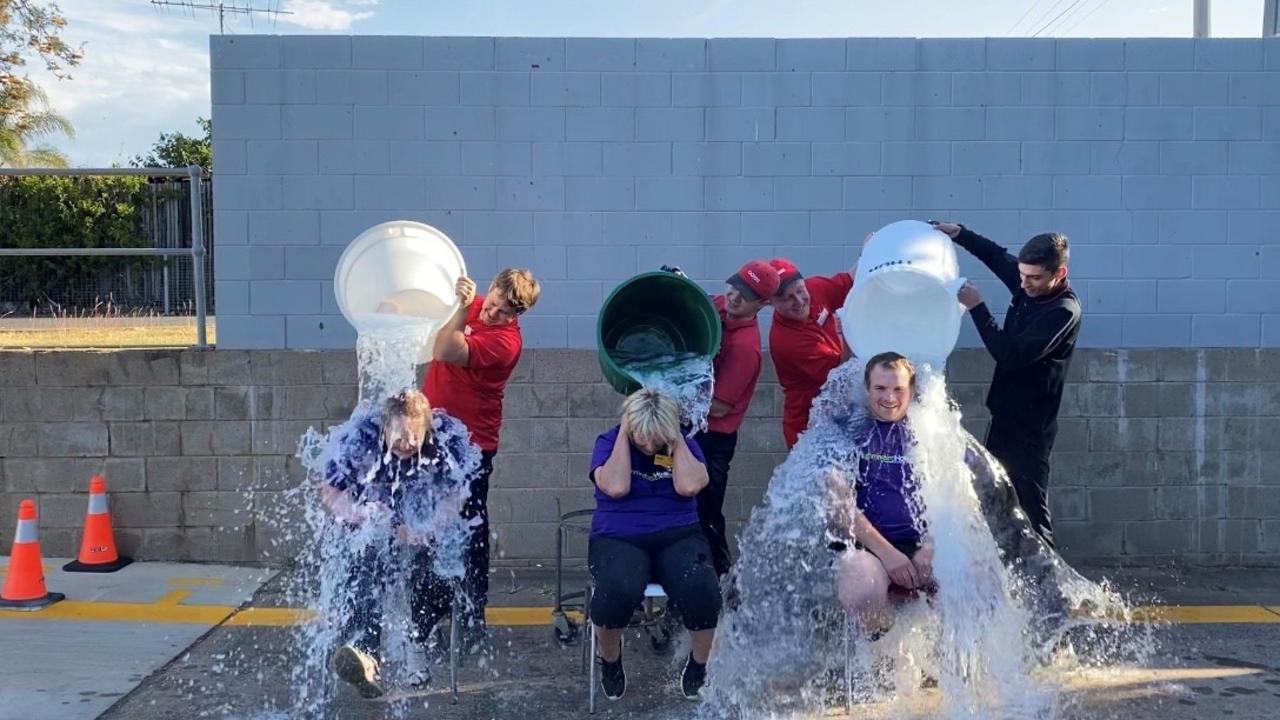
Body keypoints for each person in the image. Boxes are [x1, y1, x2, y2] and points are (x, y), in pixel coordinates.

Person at [931, 222, 1081, 547]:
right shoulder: (1031, 282)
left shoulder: (1062, 311)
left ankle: (1048, 588)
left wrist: (977, 307)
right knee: (996, 497)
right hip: (1004, 416)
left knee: (1030, 509)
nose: (1023, 283)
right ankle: (1010, 580)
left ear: (1059, 272)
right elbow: (996, 256)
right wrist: (959, 233)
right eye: (1022, 275)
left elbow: (1010, 355)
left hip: (1031, 429)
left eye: (1033, 278)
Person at [322, 390, 478, 699]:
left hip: (422, 525)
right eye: (398, 436)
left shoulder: (443, 445)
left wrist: (427, 529)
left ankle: (417, 643)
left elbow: (457, 498)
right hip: (376, 525)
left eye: (413, 437)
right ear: (383, 428)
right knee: (366, 558)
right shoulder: (360, 442)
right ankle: (366, 654)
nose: (406, 444)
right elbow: (330, 491)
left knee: (437, 573)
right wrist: (359, 515)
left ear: (426, 431)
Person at [423, 267, 541, 645]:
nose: (493, 314)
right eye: (493, 303)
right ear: (489, 288)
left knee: (469, 531)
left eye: (505, 312)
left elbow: (444, 349)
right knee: (429, 524)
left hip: (472, 446)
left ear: (516, 316)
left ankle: (473, 615)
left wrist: (461, 311)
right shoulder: (470, 303)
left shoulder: (507, 342)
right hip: (433, 437)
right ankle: (429, 613)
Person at [589, 388, 722, 702]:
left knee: (701, 587)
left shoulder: (684, 443)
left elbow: (689, 485)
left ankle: (699, 666)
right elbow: (617, 487)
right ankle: (610, 661)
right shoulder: (608, 443)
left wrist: (674, 438)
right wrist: (624, 433)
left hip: (678, 534)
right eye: (641, 437)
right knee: (618, 589)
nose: (649, 445)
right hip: (618, 536)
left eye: (656, 437)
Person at [827, 352, 934, 636]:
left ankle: (942, 657)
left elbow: (958, 501)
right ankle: (887, 651)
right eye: (881, 388)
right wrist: (889, 555)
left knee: (975, 571)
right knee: (860, 586)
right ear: (867, 389)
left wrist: (931, 547)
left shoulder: (932, 432)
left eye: (898, 388)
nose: (890, 397)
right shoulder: (847, 432)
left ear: (911, 390)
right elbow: (839, 507)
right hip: (869, 549)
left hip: (923, 545)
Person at [695, 259, 780, 578]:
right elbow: (698, 301)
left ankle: (721, 584)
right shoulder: (719, 306)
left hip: (712, 440)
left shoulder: (746, 348)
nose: (733, 296)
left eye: (745, 295)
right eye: (734, 286)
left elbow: (718, 407)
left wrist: (669, 398)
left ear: (763, 304)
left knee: (705, 515)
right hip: (692, 429)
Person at [767, 257, 854, 449]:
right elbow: (841, 369)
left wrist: (871, 249)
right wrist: (845, 336)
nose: (798, 301)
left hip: (839, 409)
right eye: (786, 298)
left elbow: (851, 278)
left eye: (799, 290)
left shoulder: (815, 288)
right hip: (809, 423)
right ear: (770, 302)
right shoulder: (787, 342)